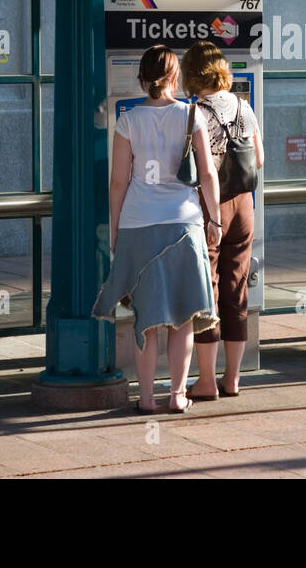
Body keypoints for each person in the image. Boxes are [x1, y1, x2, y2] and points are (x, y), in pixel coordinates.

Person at [92, 45, 221, 414]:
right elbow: (208, 174)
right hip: (184, 221)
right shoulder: (192, 115)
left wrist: (115, 231)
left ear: (142, 78)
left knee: (146, 318)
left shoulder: (129, 120)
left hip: (138, 223)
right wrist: (215, 220)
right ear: (175, 77)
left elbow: (118, 183)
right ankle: (177, 395)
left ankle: (146, 398)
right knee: (183, 315)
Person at [181, 40, 264, 400]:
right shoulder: (242, 105)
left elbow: (188, 167)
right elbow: (258, 158)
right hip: (245, 205)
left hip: (209, 205)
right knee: (236, 289)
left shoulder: (194, 112)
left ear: (191, 74)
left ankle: (205, 381)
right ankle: (232, 379)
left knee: (208, 289)